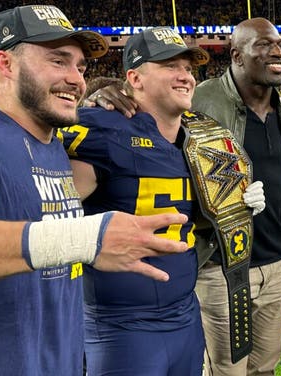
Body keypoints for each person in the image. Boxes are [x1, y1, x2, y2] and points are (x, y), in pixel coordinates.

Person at [85, 17, 281, 375]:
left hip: (263, 264)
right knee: (227, 369)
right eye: (169, 66)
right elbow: (151, 114)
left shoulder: (279, 110)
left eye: (186, 67)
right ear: (237, 56)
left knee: (265, 364)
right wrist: (102, 95)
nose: (278, 52)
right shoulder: (195, 103)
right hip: (207, 270)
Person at [0, 6, 189, 375]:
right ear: (5, 63)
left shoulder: (55, 143)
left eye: (81, 67)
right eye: (58, 61)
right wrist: (85, 238)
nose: (76, 78)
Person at [60, 27, 260, 375]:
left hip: (184, 315)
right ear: (134, 78)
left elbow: (192, 216)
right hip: (121, 325)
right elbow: (45, 215)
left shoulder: (201, 137)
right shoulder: (102, 129)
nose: (185, 76)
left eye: (188, 68)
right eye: (170, 66)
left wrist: (239, 202)